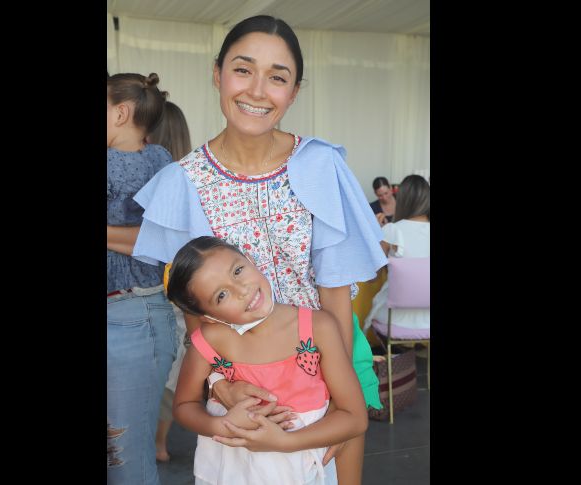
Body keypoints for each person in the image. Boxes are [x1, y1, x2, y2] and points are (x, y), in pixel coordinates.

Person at [131, 16, 386, 484]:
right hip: (244, 380)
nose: (257, 90)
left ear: (294, 91)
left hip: (330, 363)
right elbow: (196, 309)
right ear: (218, 74)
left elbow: (334, 290)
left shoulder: (321, 164)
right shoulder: (181, 183)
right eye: (243, 69)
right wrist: (222, 384)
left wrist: (337, 399)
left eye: (278, 77)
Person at [168, 236, 368, 484]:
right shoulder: (208, 342)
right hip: (233, 471)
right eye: (221, 295)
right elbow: (183, 405)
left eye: (238, 270)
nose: (242, 290)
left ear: (251, 260)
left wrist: (284, 442)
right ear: (207, 316)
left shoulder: (317, 327)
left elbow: (354, 417)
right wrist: (221, 425)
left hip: (301, 469)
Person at [106, 72, 178, 485]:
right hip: (146, 309)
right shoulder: (163, 161)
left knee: (124, 462)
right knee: (129, 459)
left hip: (126, 314)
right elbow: (162, 242)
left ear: (120, 112)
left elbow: (161, 241)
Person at [145, 101, 194, 462]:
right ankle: (159, 442)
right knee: (170, 373)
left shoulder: (151, 177)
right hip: (181, 294)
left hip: (150, 292)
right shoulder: (192, 179)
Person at [363, 174, 430, 335]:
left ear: (402, 199)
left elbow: (372, 277)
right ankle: (419, 354)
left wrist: (374, 233)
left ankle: (399, 355)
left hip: (393, 317)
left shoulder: (391, 230)